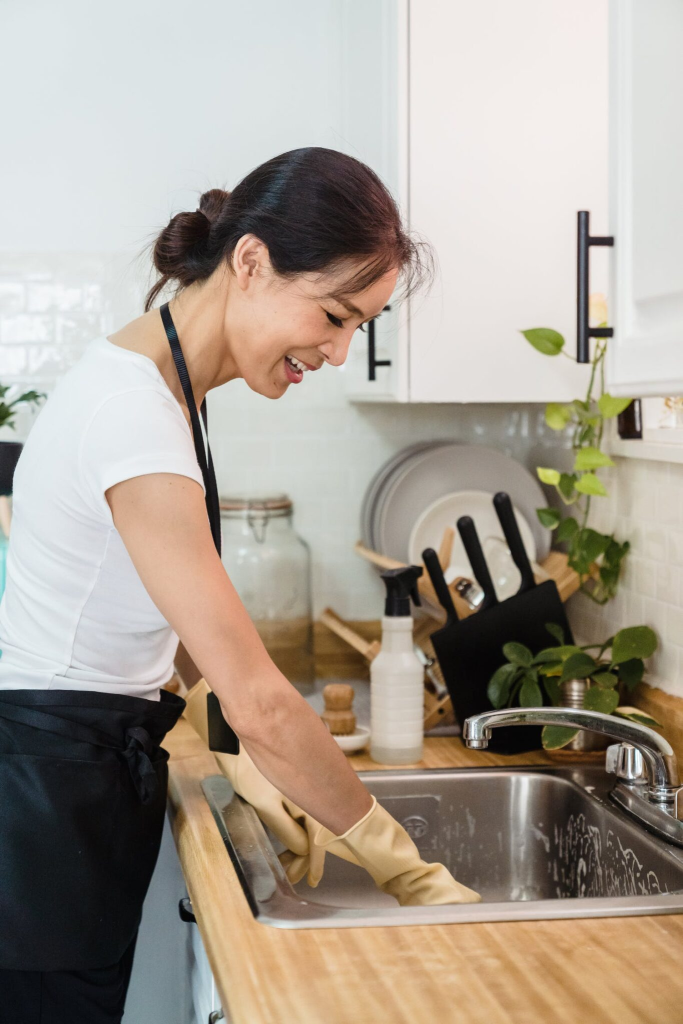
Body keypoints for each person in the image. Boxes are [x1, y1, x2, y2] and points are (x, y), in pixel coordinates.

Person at [0, 147, 479, 1024]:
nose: (336, 351)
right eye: (334, 315)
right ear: (251, 262)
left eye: (357, 330)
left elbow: (165, 613)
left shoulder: (161, 390)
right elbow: (261, 698)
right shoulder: (134, 414)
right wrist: (402, 864)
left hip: (68, 785)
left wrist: (240, 755)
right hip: (43, 807)